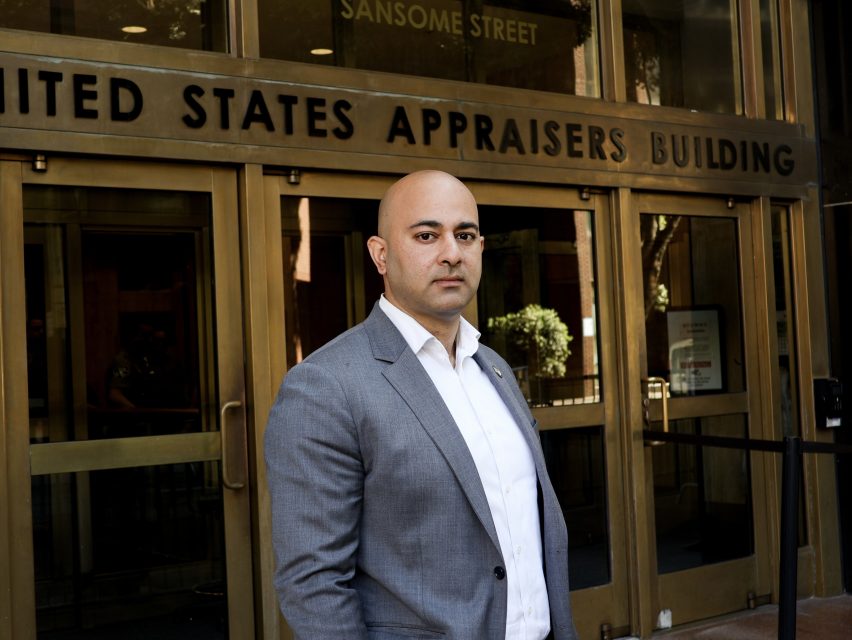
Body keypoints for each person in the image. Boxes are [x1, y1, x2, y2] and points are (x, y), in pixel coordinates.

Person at [265, 170, 579, 639]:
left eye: (465, 235)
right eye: (427, 235)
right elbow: (313, 584)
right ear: (381, 255)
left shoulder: (491, 367)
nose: (451, 252)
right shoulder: (325, 387)